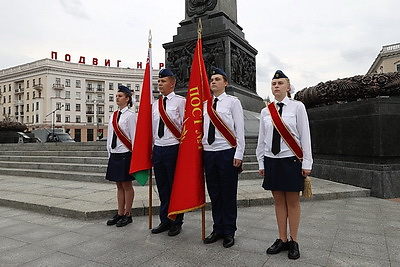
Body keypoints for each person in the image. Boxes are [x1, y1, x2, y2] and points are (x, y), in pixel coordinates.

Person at [256, 70, 312, 260]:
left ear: (288, 87)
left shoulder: (297, 107)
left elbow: (305, 135)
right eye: (274, 84)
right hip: (272, 160)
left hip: (291, 159)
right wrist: (261, 161)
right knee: (278, 201)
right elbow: (262, 139)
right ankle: (281, 239)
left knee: (293, 202)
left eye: (280, 83)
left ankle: (293, 240)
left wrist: (308, 162)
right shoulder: (266, 111)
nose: (276, 86)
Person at [202, 67, 245, 248]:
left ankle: (229, 231)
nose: (213, 82)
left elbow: (240, 129)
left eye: (217, 79)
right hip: (209, 153)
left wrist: (239, 153)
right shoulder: (205, 105)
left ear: (225, 83)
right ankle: (217, 228)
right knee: (214, 193)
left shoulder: (232, 102)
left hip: (227, 152)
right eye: (212, 79)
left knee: (228, 194)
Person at [151, 68, 186, 236]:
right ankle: (164, 219)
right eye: (159, 81)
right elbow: (151, 128)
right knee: (163, 187)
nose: (160, 83)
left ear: (172, 84)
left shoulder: (180, 102)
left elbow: (186, 126)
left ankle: (176, 221)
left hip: (173, 148)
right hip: (158, 148)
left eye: (163, 81)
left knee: (174, 187)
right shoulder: (155, 105)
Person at [105, 85, 137, 227]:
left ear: (127, 99)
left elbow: (134, 137)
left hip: (125, 153)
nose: (117, 98)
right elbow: (110, 135)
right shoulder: (114, 115)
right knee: (118, 185)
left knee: (126, 185)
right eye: (116, 96)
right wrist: (109, 152)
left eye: (120, 96)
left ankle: (128, 214)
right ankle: (120, 213)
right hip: (115, 153)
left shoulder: (130, 116)